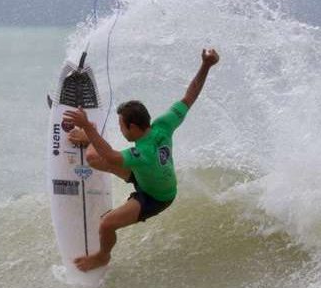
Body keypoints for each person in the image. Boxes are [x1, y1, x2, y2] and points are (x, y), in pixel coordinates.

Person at [62, 48, 220, 272]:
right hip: (148, 176)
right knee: (93, 159)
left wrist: (88, 127)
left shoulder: (141, 154)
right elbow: (190, 96)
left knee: (106, 224)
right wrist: (206, 65)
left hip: (155, 197)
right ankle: (90, 139)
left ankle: (102, 256)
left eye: (121, 126)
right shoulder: (164, 124)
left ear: (133, 127)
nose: (121, 130)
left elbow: (112, 157)